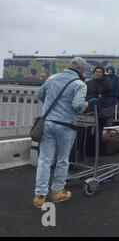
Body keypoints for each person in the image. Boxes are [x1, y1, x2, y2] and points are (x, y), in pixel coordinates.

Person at [33, 57, 88, 208]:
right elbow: (77, 106)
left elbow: (40, 95)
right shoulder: (79, 84)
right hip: (66, 125)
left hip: (48, 123)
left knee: (44, 160)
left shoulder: (52, 78)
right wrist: (86, 104)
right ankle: (57, 192)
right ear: (82, 70)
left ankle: (40, 196)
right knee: (62, 160)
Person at [86, 66, 114, 155]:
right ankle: (88, 151)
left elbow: (111, 91)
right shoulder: (89, 83)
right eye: (96, 71)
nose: (98, 73)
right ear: (94, 73)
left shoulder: (105, 82)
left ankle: (97, 152)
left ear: (102, 73)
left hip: (101, 110)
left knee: (99, 131)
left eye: (100, 72)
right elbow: (85, 95)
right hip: (90, 110)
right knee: (88, 131)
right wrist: (96, 96)